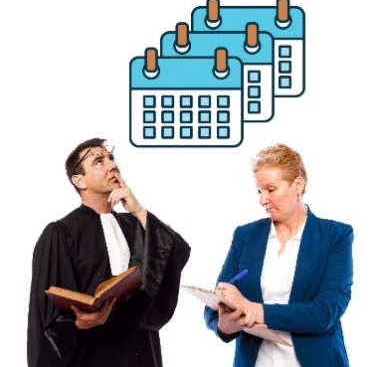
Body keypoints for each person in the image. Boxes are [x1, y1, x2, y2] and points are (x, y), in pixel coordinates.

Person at [27, 138, 191, 367]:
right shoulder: (61, 233)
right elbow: (46, 313)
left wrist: (138, 210)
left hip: (141, 351)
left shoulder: (136, 225)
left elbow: (176, 252)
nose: (112, 165)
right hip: (92, 353)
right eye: (98, 161)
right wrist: (77, 323)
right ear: (79, 180)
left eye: (111, 158)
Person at [204, 143, 353, 367]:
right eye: (259, 191)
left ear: (298, 185)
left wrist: (255, 311)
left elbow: (325, 313)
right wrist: (226, 324)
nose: (262, 199)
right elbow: (216, 304)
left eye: (271, 189)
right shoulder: (245, 236)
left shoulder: (335, 236)